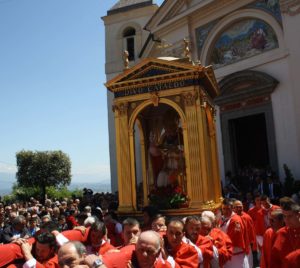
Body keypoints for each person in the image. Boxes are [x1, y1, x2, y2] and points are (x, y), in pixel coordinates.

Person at [270, 200, 300, 268]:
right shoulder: (280, 233)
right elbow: (274, 261)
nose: (286, 220)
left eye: (289, 216)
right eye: (284, 216)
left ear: (298, 214)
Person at [220, 199, 249, 268]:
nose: (225, 211)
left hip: (235, 254)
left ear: (232, 208)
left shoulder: (235, 220)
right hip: (228, 253)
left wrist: (219, 243)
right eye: (224, 209)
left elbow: (234, 237)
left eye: (228, 209)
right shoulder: (224, 219)